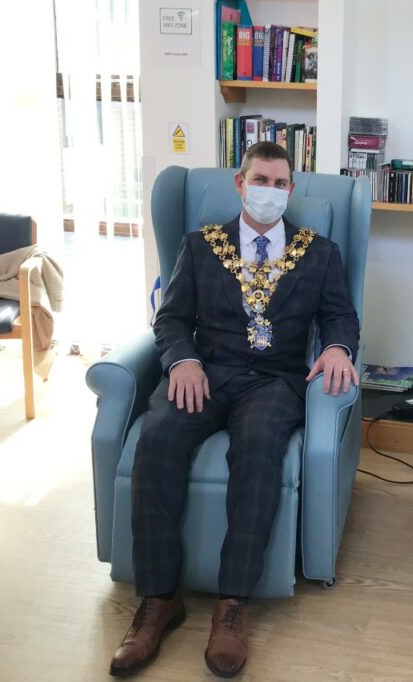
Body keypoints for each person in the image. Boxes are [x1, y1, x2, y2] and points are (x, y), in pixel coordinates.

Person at [110, 141, 360, 678]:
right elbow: (170, 319)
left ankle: (232, 605)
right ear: (239, 183)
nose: (269, 191)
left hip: (274, 381)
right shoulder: (202, 246)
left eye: (279, 183)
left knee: (259, 448)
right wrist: (180, 361)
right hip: (206, 372)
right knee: (157, 440)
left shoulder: (319, 252)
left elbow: (341, 318)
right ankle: (158, 601)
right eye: (259, 180)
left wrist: (338, 348)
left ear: (290, 190)